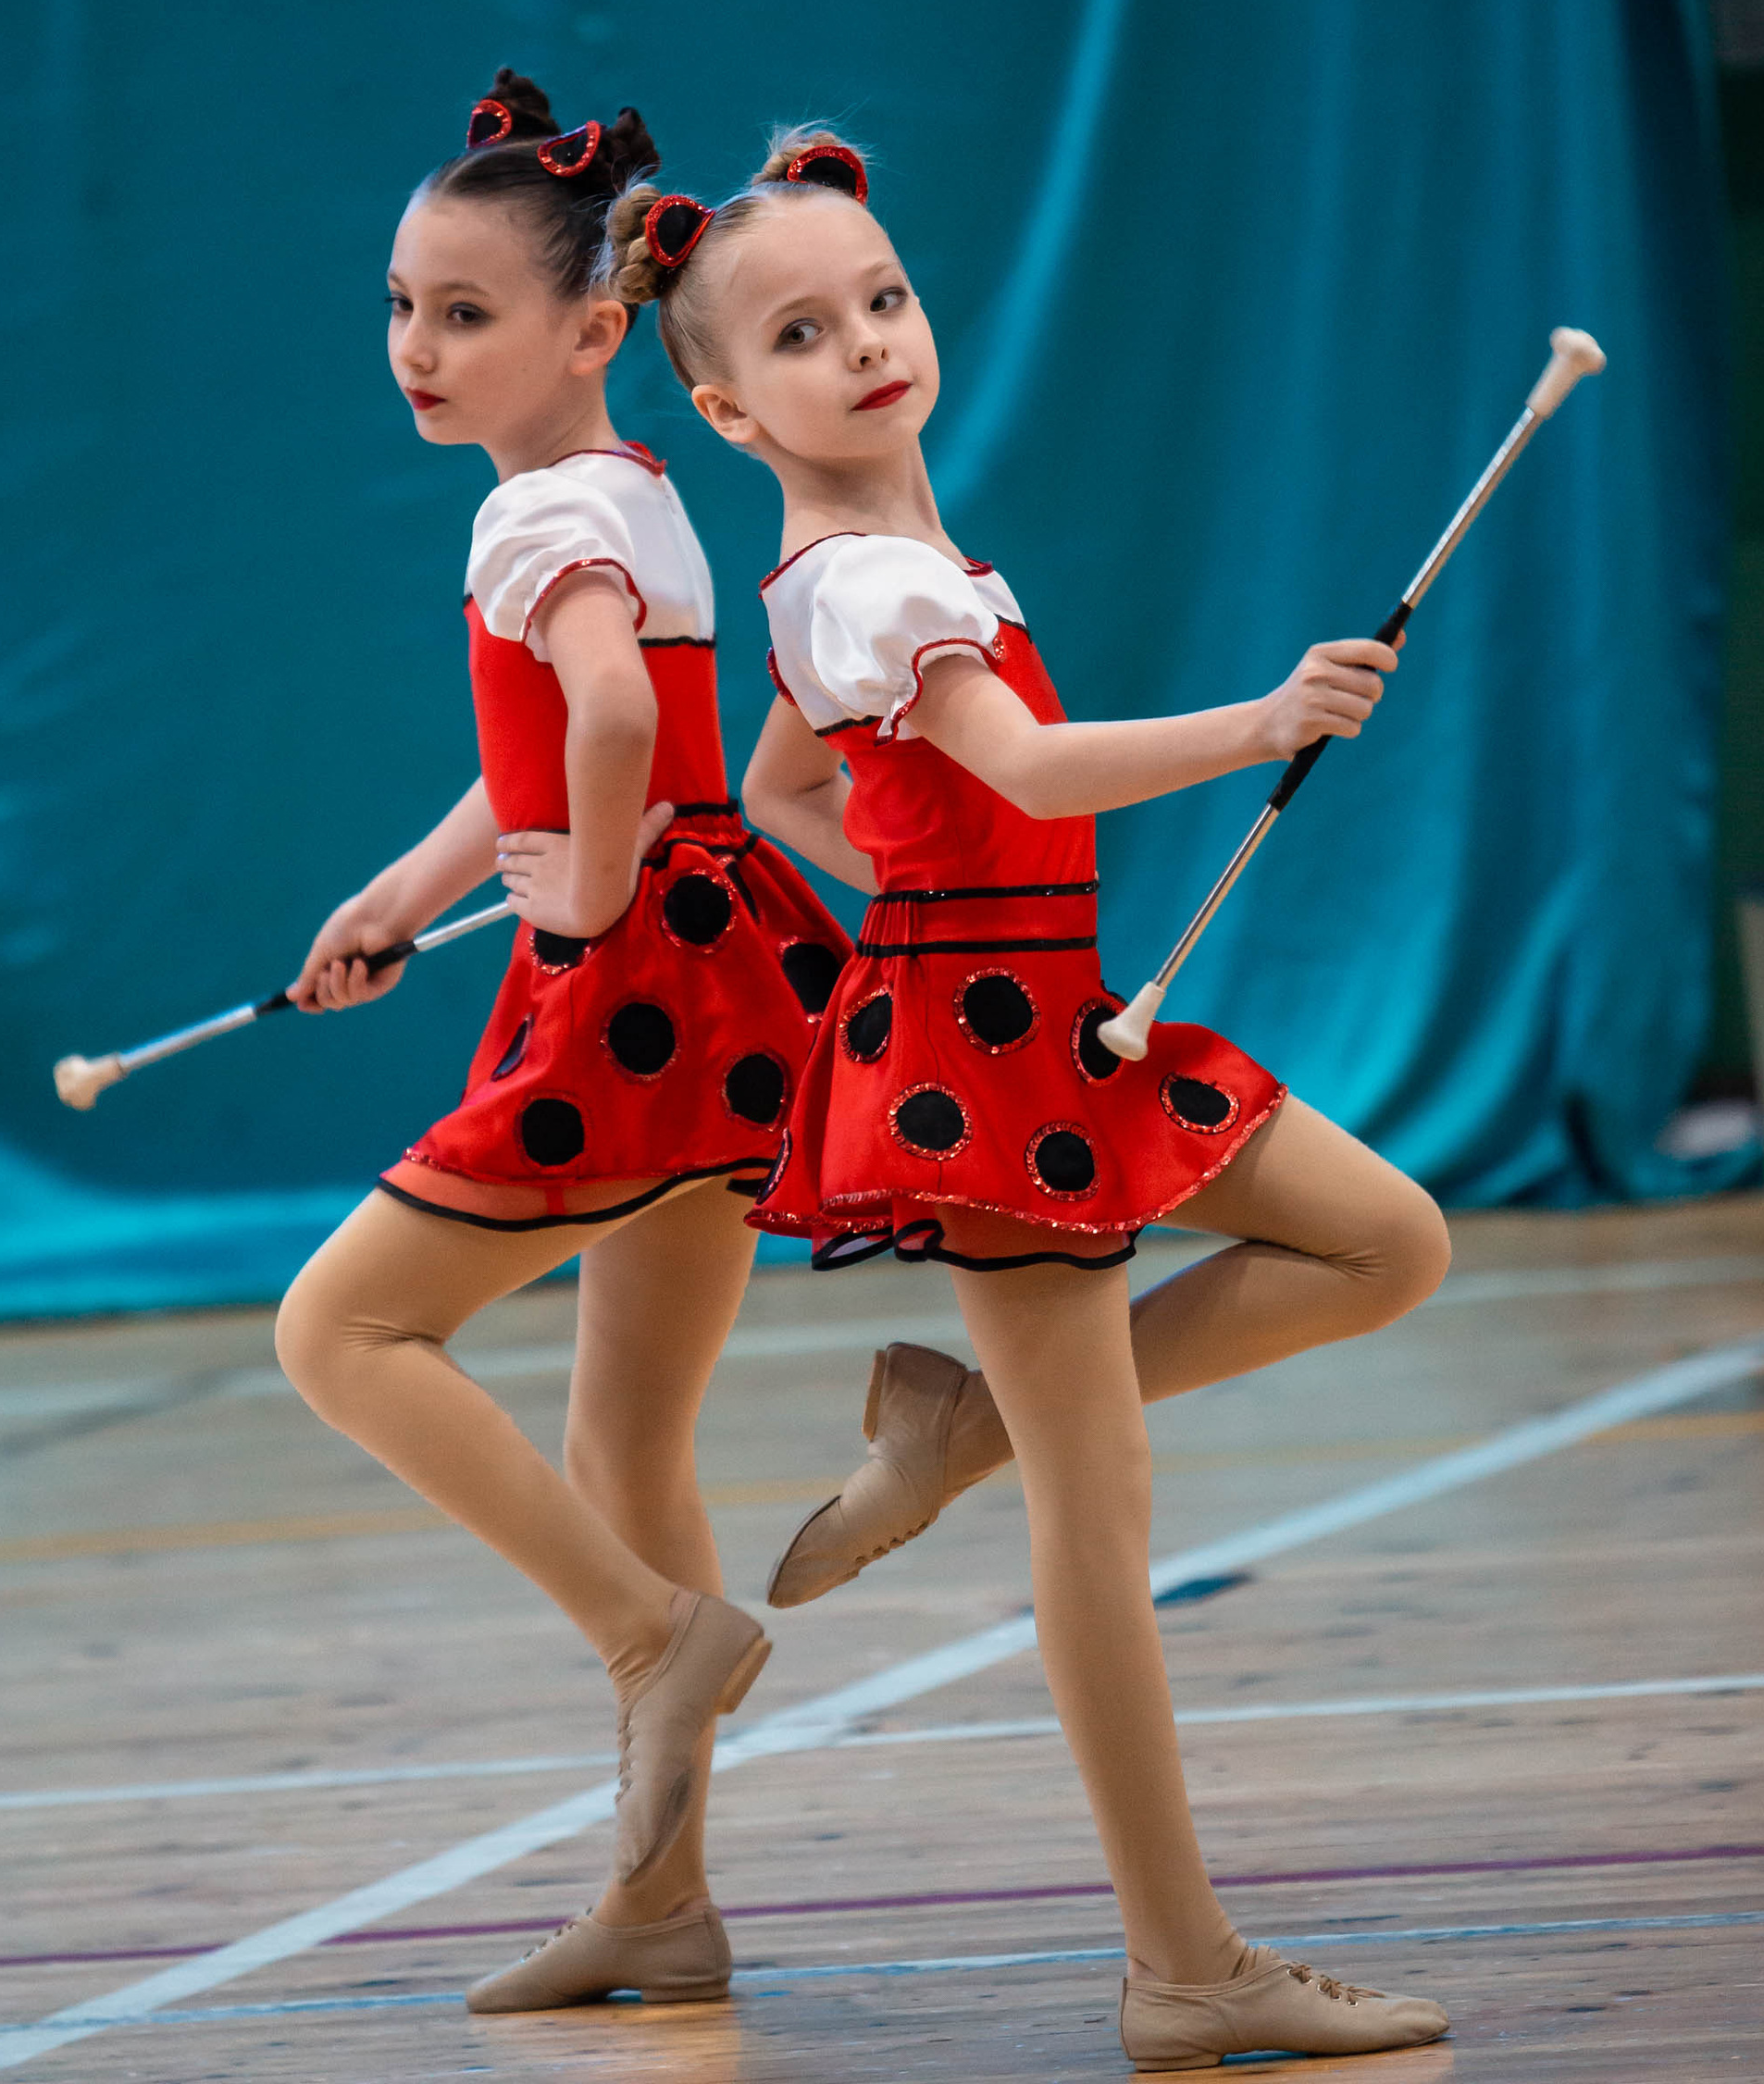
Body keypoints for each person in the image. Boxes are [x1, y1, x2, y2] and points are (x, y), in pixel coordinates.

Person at [607, 130, 1452, 2068]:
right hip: (981, 1065)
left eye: (882, 298)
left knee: (1383, 1239)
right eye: (803, 332)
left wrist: (924, 905)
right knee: (1104, 1509)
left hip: (1031, 1012)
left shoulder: (883, 570)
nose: (866, 342)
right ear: (731, 407)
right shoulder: (871, 588)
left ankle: (956, 1428)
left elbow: (788, 795)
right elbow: (1034, 766)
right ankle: (1181, 1964)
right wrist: (1258, 719)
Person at [271, 72, 851, 2015]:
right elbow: (558, 734)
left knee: (335, 1329)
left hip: (629, 984)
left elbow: (602, 732)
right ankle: (662, 1900)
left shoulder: (536, 514)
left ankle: (645, 1633)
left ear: (592, 330)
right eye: (400, 307)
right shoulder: (627, 497)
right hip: (721, 974)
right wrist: (408, 884)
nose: (416, 349)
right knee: (624, 1431)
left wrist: (579, 907)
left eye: (464, 313)